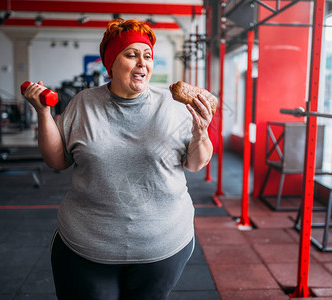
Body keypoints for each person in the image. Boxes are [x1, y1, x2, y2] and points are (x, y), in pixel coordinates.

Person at [21, 18, 213, 300]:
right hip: (86, 247)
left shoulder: (174, 106)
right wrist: (43, 114)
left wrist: (201, 132)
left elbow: (196, 163)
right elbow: (57, 161)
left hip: (163, 246)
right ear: (110, 64)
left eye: (147, 56)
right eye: (131, 55)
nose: (142, 63)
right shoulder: (83, 103)